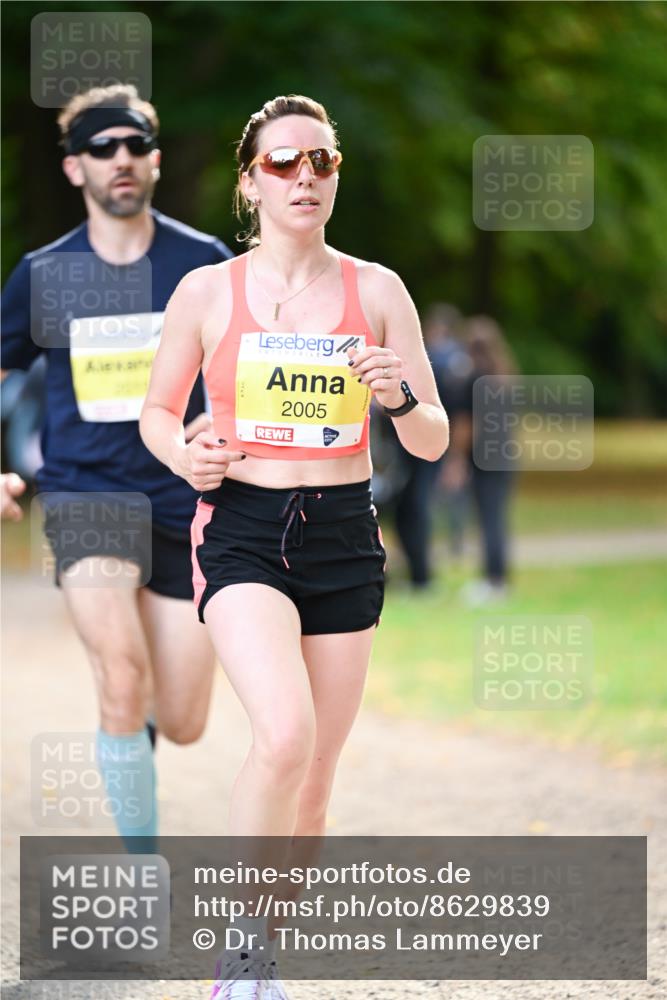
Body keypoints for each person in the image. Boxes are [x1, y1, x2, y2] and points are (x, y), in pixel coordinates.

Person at [140, 94, 449, 998]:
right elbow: (158, 412)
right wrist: (185, 453)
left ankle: (263, 950)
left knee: (312, 779)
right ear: (250, 182)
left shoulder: (377, 290)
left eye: (322, 161)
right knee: (283, 734)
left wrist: (398, 398)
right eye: (283, 162)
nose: (304, 177)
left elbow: (432, 437)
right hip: (241, 529)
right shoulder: (207, 292)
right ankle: (239, 960)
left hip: (343, 533)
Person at [0, 84, 233, 847]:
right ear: (76, 169)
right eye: (102, 148)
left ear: (155, 160)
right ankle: (141, 871)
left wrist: (223, 416)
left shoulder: (203, 264)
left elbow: (248, 363)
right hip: (86, 494)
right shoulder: (45, 273)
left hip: (186, 496)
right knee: (122, 676)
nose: (120, 159)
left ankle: (131, 745)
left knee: (186, 719)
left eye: (135, 145)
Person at [393, 303, 472, 587]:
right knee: (436, 506)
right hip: (438, 443)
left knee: (417, 507)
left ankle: (422, 574)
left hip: (420, 446)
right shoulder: (460, 361)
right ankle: (431, 565)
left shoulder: (435, 359)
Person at [451, 315, 519, 605]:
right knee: (497, 519)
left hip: (482, 459)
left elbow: (467, 424)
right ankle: (498, 578)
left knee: (487, 519)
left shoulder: (473, 378)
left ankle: (493, 581)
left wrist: (456, 460)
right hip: (505, 456)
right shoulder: (505, 377)